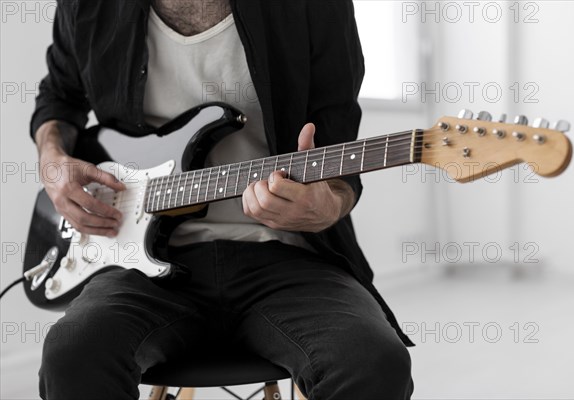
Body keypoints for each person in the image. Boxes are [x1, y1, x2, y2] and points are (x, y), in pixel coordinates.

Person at [32, 1, 414, 398]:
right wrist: (53, 163)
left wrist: (325, 207)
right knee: (71, 357)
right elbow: (58, 98)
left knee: (373, 361)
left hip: (288, 257)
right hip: (137, 267)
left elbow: (339, 155)